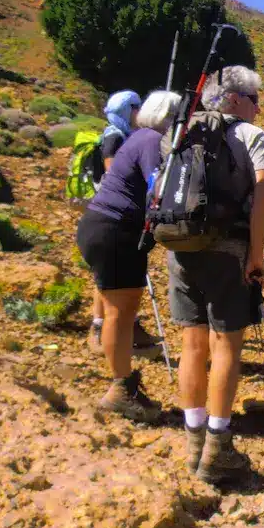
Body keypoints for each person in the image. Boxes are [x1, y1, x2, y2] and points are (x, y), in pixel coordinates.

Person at [167, 65, 264, 486]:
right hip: (228, 249)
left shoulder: (180, 131)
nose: (258, 109)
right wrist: (256, 253)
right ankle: (218, 444)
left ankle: (193, 440)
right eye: (254, 100)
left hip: (181, 248)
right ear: (235, 99)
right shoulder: (251, 136)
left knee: (192, 343)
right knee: (227, 344)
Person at [76, 89, 182, 423]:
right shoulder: (151, 140)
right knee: (119, 315)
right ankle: (121, 389)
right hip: (116, 231)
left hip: (104, 227)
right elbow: (158, 189)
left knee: (117, 312)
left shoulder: (138, 137)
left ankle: (122, 384)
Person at [87, 90, 161, 360]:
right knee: (108, 278)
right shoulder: (113, 136)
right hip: (113, 216)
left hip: (117, 216)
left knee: (120, 278)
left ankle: (124, 328)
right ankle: (100, 327)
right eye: (135, 107)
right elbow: (112, 173)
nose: (138, 112)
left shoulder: (122, 135)